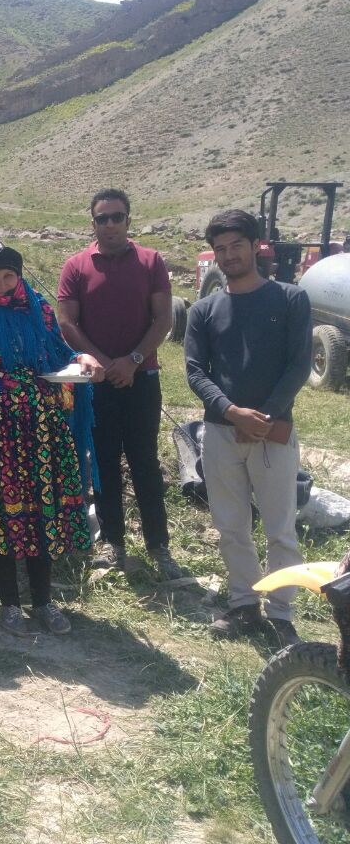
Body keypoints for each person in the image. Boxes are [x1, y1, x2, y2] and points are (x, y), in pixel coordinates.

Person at [0, 247, 103, 636]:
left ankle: (43, 601)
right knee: (2, 516)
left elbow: (58, 355)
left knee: (40, 513)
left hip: (41, 429)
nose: (1, 285)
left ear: (18, 276)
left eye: (7, 276)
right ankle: (9, 604)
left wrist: (81, 357)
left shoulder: (41, 311)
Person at [185, 208, 311, 647]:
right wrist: (232, 411)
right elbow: (196, 372)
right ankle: (243, 604)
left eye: (236, 245)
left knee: (280, 528)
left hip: (273, 434)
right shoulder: (204, 310)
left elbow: (298, 366)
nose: (228, 255)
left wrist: (267, 416)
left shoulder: (291, 299)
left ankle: (280, 613)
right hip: (221, 433)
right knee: (231, 525)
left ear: (256, 246)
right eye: (221, 249)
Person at [58, 189, 180, 578]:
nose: (109, 224)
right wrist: (105, 362)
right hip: (96, 379)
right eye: (102, 218)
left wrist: (133, 361)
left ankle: (159, 547)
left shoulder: (151, 261)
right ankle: (113, 544)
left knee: (144, 461)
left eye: (117, 216)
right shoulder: (76, 266)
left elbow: (163, 320)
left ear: (129, 220)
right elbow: (66, 323)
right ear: (91, 222)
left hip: (142, 378)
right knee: (104, 464)